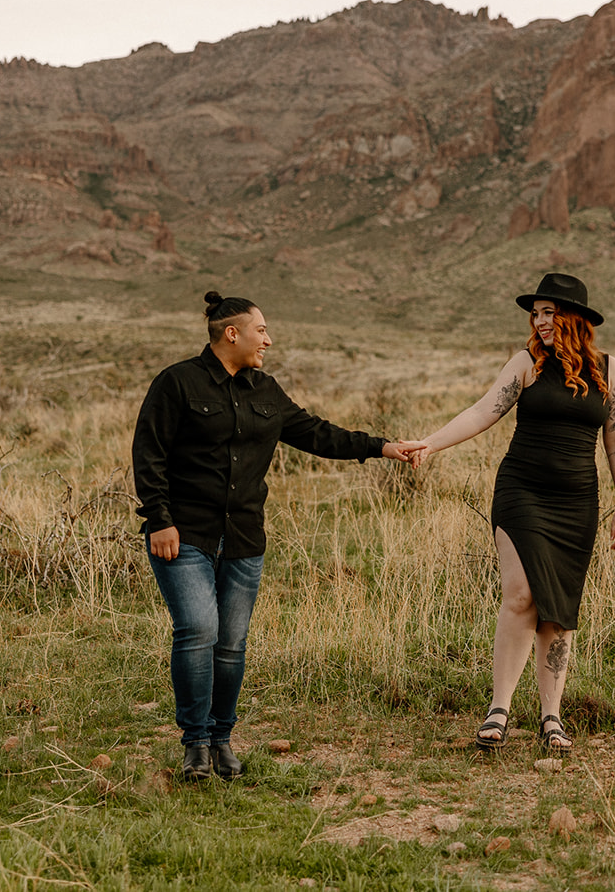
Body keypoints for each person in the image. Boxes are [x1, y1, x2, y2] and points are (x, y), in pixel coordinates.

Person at [132, 291, 419, 780]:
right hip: (185, 536)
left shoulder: (266, 391)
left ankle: (222, 741)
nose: (268, 339)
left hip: (244, 537)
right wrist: (159, 519)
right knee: (198, 630)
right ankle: (195, 744)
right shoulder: (177, 383)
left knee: (232, 643)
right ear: (232, 333)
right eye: (261, 330)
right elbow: (149, 452)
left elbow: (316, 433)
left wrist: (383, 447)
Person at [407, 273, 615, 753]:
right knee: (520, 594)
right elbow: (482, 411)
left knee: (559, 610)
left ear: (573, 318)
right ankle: (499, 709)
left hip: (577, 502)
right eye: (536, 313)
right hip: (522, 491)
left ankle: (551, 717)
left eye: (548, 312)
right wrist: (430, 443)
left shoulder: (610, 371)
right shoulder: (526, 363)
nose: (539, 321)